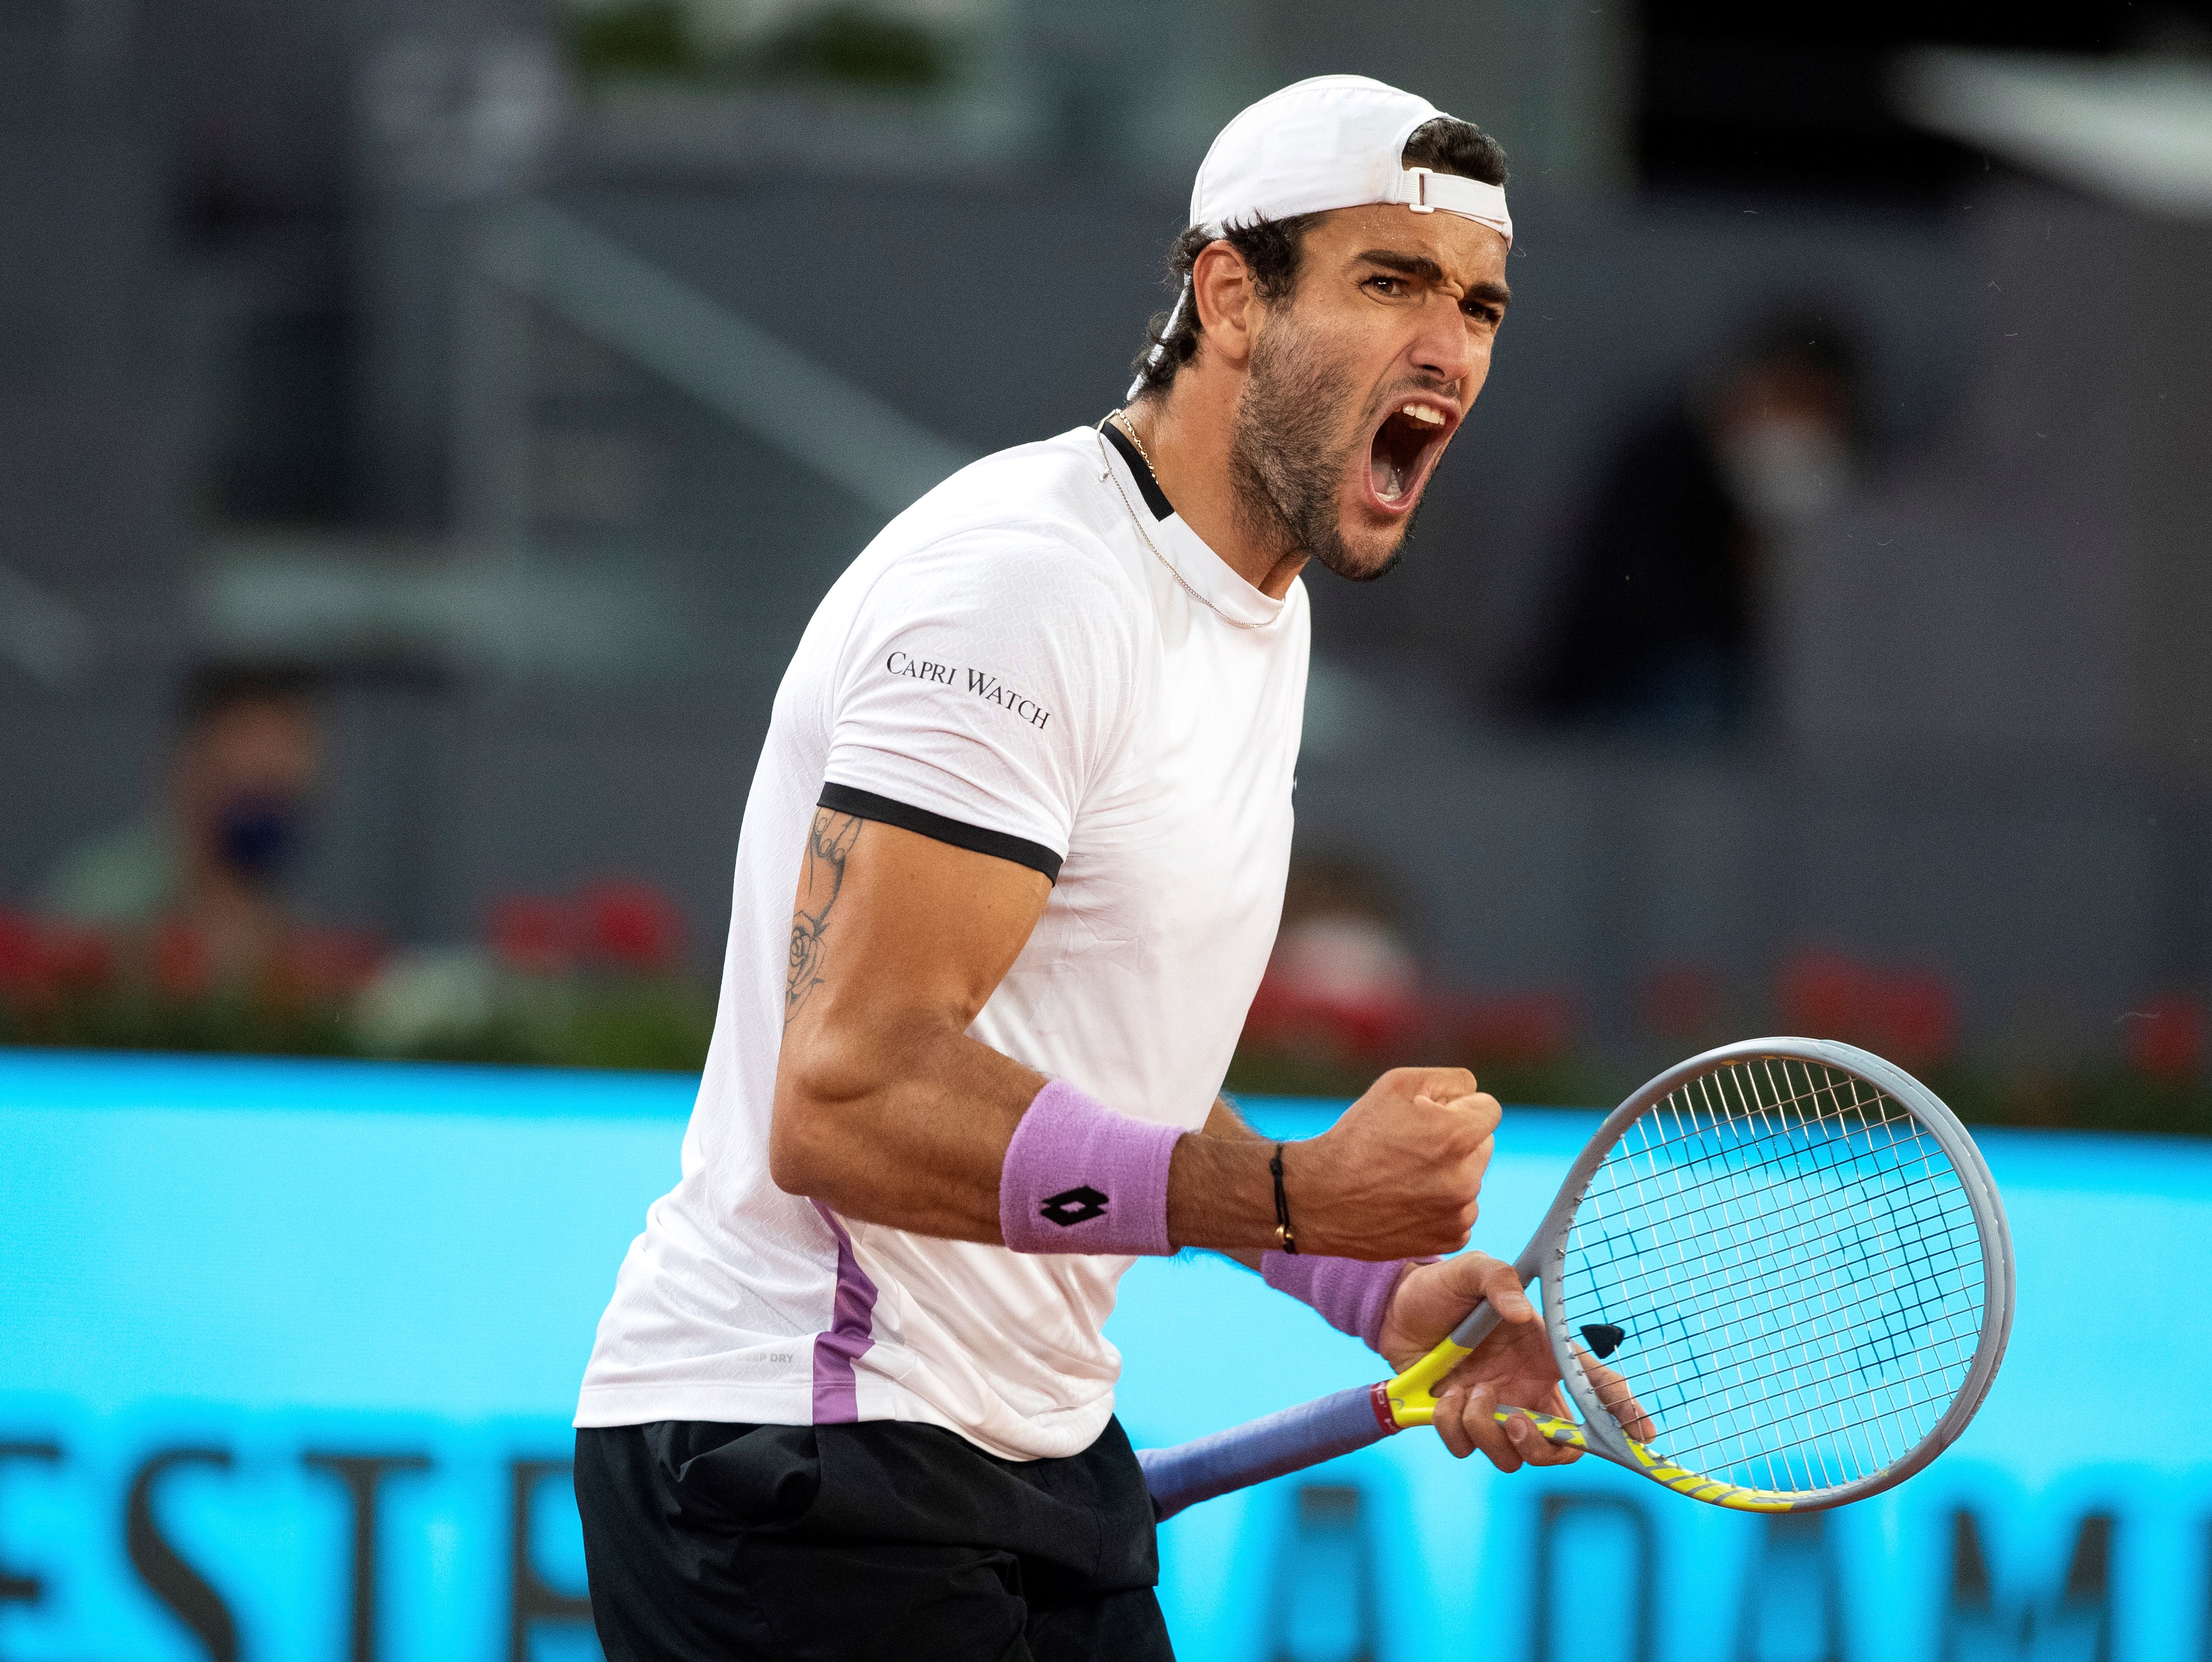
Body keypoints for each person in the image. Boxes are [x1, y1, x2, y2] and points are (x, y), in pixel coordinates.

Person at [572, 75, 1580, 1661]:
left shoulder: (1259, 605)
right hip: (800, 1450)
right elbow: (848, 1096)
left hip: (1025, 1460)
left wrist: (1355, 1284)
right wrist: (1301, 1187)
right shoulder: (1025, 590)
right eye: (1390, 282)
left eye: (1479, 303)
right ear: (1229, 294)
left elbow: (1097, 1062)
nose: (1448, 348)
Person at [1531, 308, 1861, 735]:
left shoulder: (1848, 486)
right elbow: (1626, 602)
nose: (1796, 424)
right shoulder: (1662, 459)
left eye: (1816, 408)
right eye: (1787, 398)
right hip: (1629, 689)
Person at [38, 660, 325, 983]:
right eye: (251, 787)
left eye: (281, 787)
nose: (271, 769)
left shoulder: (287, 918)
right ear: (190, 764)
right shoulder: (105, 898)